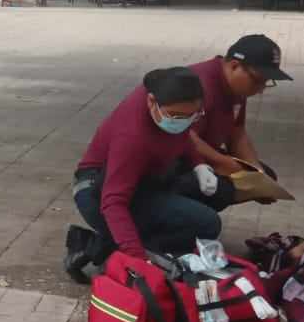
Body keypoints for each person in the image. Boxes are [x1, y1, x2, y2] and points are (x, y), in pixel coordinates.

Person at [64, 67, 224, 282]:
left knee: (215, 206)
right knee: (204, 225)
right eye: (177, 116)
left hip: (144, 181)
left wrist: (199, 165)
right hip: (97, 192)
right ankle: (95, 246)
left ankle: (111, 243)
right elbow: (113, 202)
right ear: (151, 101)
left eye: (192, 116)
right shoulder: (132, 137)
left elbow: (182, 134)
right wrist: (140, 261)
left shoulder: (167, 100)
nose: (184, 121)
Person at [186, 35, 292, 210]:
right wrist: (224, 163)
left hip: (205, 153)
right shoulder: (199, 84)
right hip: (176, 159)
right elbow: (185, 137)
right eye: (258, 81)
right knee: (224, 188)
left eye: (266, 82)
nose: (261, 90)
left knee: (264, 178)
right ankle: (191, 219)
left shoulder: (236, 89)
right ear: (234, 66)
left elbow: (236, 132)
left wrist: (258, 174)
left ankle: (198, 214)